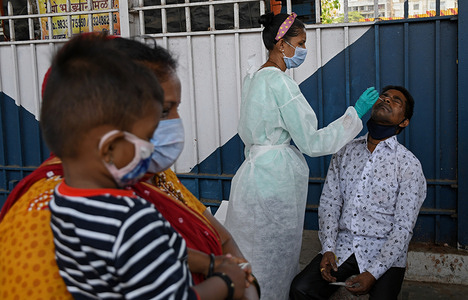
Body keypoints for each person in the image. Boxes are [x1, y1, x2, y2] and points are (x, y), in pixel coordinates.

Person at [0, 35, 258, 300]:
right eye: (162, 113)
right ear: (109, 140)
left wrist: (225, 270)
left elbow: (213, 239)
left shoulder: (139, 175)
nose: (176, 124)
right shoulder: (38, 218)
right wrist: (229, 284)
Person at [223, 12, 379, 300]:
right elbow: (311, 141)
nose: (304, 49)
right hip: (275, 180)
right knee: (274, 258)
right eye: (301, 42)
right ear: (282, 45)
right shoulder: (282, 85)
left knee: (249, 249)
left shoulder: (254, 78)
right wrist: (354, 115)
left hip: (251, 175)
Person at [289, 85, 427, 300]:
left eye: (396, 101)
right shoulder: (345, 151)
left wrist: (373, 273)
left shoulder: (408, 164)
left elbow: (403, 227)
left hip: (385, 251)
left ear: (404, 121)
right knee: (301, 288)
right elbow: (330, 203)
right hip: (343, 246)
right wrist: (327, 248)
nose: (387, 100)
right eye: (384, 96)